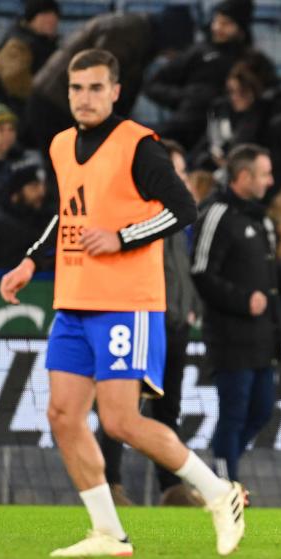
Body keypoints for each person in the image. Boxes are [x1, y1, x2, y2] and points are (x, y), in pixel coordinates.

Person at [0, 49, 245, 558]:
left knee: (120, 421)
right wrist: (30, 260)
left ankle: (220, 494)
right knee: (63, 415)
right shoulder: (62, 144)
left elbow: (183, 208)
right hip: (74, 299)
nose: (84, 98)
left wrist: (123, 236)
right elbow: (65, 213)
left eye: (94, 88)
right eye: (75, 88)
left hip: (125, 300)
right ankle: (109, 533)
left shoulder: (138, 145)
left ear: (114, 91)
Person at [97, 139, 205, 508]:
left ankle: (170, 487)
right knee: (121, 409)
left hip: (174, 323)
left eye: (182, 172)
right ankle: (110, 484)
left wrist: (190, 307)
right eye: (172, 172)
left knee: (167, 409)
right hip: (141, 318)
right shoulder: (138, 215)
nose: (180, 179)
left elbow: (182, 272)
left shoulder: (178, 218)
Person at [190, 144, 281, 483]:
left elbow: (268, 272)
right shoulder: (216, 213)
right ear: (243, 176)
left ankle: (214, 480)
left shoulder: (260, 218)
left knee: (262, 411)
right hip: (230, 335)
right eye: (265, 174)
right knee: (234, 414)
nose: (270, 181)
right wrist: (242, 300)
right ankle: (226, 487)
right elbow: (200, 271)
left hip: (264, 336)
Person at [26, 5, 195, 154]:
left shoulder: (141, 36)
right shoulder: (129, 32)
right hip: (56, 104)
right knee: (66, 173)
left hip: (64, 103)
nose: (172, 56)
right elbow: (99, 75)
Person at [191, 55, 281, 194]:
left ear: (253, 91)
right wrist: (212, 159)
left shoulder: (273, 111)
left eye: (241, 91)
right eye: (231, 91)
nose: (235, 97)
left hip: (268, 189)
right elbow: (203, 150)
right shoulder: (223, 112)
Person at [145, 0, 257, 149]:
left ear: (240, 27)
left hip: (225, 129)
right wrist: (184, 96)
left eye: (226, 23)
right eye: (216, 21)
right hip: (184, 124)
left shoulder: (250, 59)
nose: (217, 27)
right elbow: (153, 85)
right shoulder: (198, 52)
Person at [0, 156, 53, 270]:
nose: (42, 192)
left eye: (43, 185)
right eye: (34, 186)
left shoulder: (47, 219)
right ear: (16, 191)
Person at [0, 0, 59, 112]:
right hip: (18, 113)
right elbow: (15, 80)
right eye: (45, 15)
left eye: (55, 15)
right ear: (32, 18)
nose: (52, 20)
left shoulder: (46, 43)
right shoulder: (18, 44)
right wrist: (49, 97)